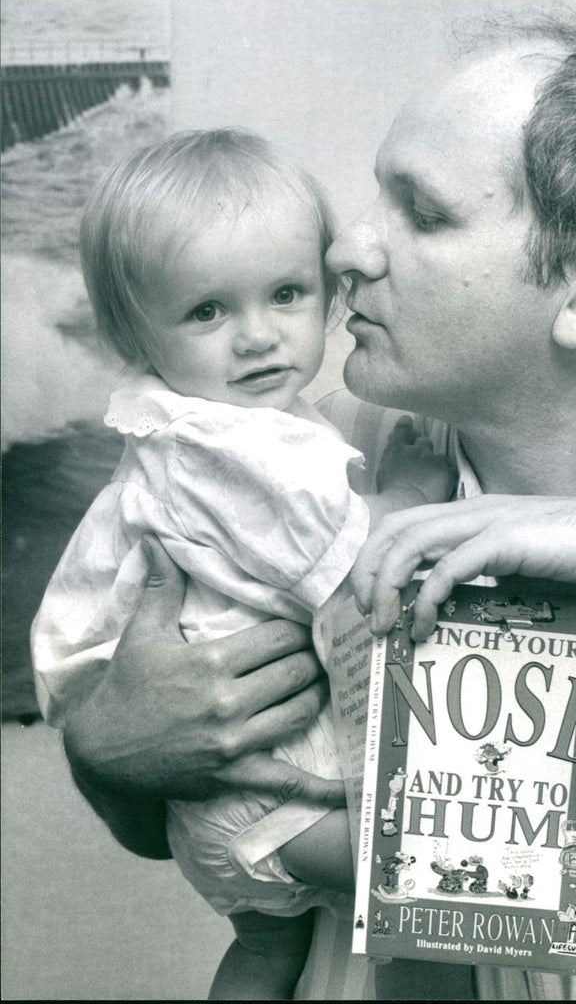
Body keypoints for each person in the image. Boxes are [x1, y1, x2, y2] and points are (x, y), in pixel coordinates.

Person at [55, 19, 576, 1000]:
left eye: (423, 212)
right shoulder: (292, 463)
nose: (344, 247)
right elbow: (190, 805)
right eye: (374, 195)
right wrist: (108, 752)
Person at [30, 129, 454, 1000]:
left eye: (287, 294)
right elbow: (360, 568)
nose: (258, 337)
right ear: (134, 334)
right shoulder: (237, 446)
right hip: (274, 794)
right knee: (428, 901)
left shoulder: (192, 431)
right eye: (207, 312)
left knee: (267, 957)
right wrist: (409, 494)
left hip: (228, 808)